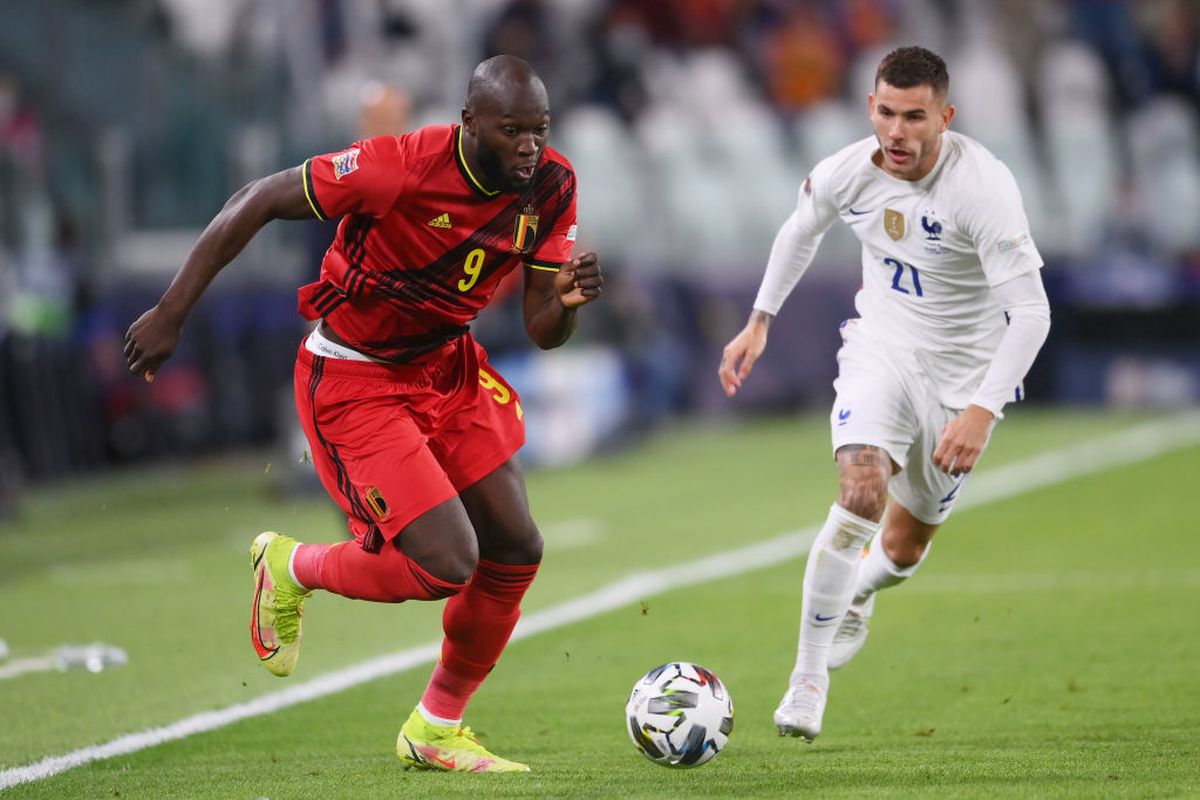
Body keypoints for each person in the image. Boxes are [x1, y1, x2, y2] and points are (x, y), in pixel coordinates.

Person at [124, 55, 602, 773]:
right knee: (447, 561)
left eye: (539, 129)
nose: (530, 147)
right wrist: (170, 311)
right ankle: (293, 565)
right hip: (358, 379)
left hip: (447, 367)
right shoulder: (397, 167)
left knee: (515, 550)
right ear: (470, 123)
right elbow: (256, 198)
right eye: (513, 130)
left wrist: (565, 303)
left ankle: (436, 726)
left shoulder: (554, 185)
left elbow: (540, 323)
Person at [717, 46, 1050, 742]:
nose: (897, 132)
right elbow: (799, 229)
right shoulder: (851, 171)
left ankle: (860, 593)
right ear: (872, 107)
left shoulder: (983, 187)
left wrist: (981, 411)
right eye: (887, 113)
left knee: (901, 551)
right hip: (882, 351)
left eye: (915, 117)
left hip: (963, 378)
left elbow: (1032, 313)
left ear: (944, 118)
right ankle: (807, 681)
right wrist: (759, 322)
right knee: (861, 490)